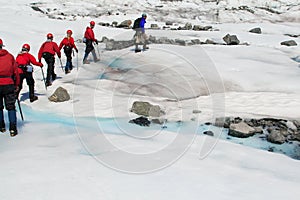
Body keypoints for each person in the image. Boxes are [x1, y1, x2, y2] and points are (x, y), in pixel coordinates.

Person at [0, 38, 20, 137]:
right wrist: (16, 84)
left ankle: (1, 126)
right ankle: (13, 128)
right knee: (11, 106)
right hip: (8, 83)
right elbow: (16, 72)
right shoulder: (10, 57)